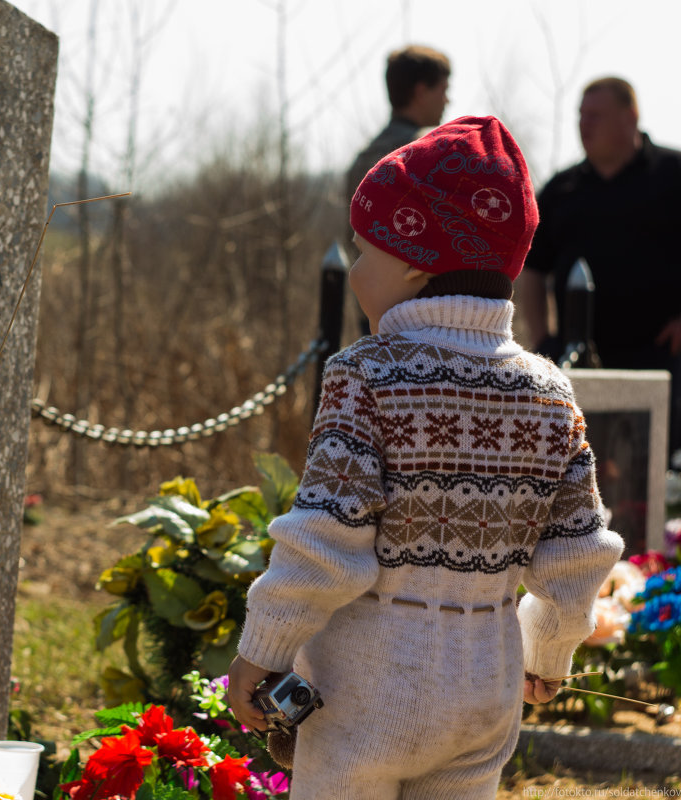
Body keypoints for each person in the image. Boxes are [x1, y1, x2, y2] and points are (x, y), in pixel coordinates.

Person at [226, 116, 624, 799]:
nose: (354, 271)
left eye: (364, 250)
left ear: (415, 258)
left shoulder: (368, 375)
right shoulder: (549, 393)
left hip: (364, 692)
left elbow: (325, 539)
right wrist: (549, 651)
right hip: (484, 689)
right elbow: (575, 552)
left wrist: (259, 654)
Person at [520, 76, 681, 456]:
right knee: (586, 466)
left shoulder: (673, 175)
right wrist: (543, 341)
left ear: (630, 117)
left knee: (658, 466)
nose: (583, 124)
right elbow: (532, 270)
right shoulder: (562, 189)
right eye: (581, 115)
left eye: (595, 115)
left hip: (660, 358)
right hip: (580, 363)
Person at [344, 45, 451, 332]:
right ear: (420, 91)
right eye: (442, 89)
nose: (447, 100)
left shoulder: (362, 159)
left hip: (369, 310)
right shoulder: (430, 152)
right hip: (425, 317)